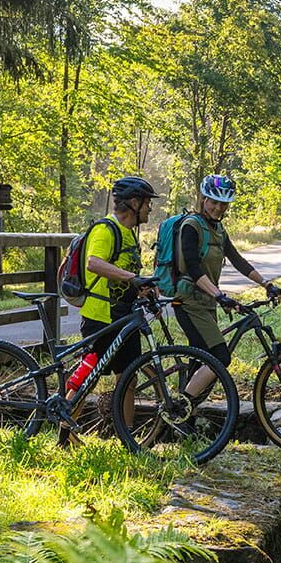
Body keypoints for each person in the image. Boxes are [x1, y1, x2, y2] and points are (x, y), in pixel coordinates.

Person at [172, 174, 280, 399]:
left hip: (206, 302)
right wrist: (219, 295)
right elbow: (193, 268)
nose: (218, 208)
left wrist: (266, 283)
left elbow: (238, 260)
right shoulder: (191, 226)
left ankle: (188, 412)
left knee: (201, 358)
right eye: (214, 202)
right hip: (188, 302)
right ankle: (181, 407)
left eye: (223, 204)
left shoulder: (219, 230)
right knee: (219, 357)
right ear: (203, 199)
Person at [68, 176, 161, 433]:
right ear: (134, 203)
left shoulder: (128, 234)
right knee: (89, 377)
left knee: (129, 378)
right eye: (147, 203)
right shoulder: (105, 230)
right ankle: (65, 431)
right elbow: (94, 263)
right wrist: (132, 278)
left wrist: (143, 288)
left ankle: (126, 434)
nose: (150, 208)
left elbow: (123, 273)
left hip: (125, 316)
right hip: (101, 315)